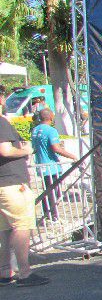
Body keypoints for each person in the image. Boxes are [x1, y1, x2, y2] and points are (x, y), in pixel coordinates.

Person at [0, 85, 48, 286]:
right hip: (12, 183)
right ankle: (25, 273)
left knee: (6, 229)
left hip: (4, 184)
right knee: (21, 226)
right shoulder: (1, 122)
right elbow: (5, 150)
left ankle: (4, 271)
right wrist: (26, 149)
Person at [31, 109, 78, 223]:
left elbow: (34, 149)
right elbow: (56, 148)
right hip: (51, 166)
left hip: (41, 165)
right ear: (51, 117)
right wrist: (73, 157)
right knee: (54, 193)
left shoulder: (35, 130)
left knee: (46, 191)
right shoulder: (51, 131)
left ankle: (47, 216)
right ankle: (53, 217)